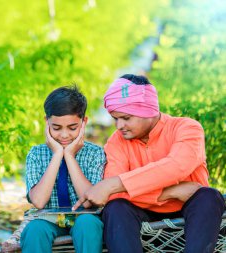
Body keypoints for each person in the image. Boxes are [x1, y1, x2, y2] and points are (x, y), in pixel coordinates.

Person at [73, 74, 225, 252]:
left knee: (209, 196)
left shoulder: (186, 128)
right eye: (115, 118)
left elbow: (176, 166)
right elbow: (114, 196)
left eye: (126, 118)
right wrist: (172, 192)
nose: (119, 125)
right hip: (141, 223)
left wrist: (117, 184)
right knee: (115, 208)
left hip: (192, 221)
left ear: (148, 110)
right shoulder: (116, 142)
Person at [20, 85, 106, 253]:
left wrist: (70, 156)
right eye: (56, 128)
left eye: (72, 128)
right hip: (49, 221)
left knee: (87, 224)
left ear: (84, 122)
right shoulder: (36, 154)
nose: (64, 135)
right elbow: (38, 201)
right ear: (47, 123)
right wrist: (57, 154)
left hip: (85, 219)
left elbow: (89, 201)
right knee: (34, 230)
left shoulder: (95, 153)